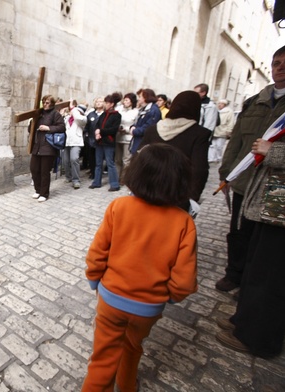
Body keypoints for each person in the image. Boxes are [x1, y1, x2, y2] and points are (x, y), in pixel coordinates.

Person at [82, 143, 198, 392]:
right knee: (133, 347)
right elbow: (185, 280)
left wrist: (94, 280)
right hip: (148, 308)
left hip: (111, 299)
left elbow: (97, 252)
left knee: (103, 358)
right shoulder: (183, 222)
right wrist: (170, 298)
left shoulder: (119, 207)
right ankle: (127, 386)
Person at [215, 45, 285, 293]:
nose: (281, 68)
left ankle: (252, 288)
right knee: (238, 232)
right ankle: (234, 273)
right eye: (277, 63)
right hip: (245, 182)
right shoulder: (254, 102)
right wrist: (227, 171)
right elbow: (236, 140)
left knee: (266, 243)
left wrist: (274, 152)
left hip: (277, 189)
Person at [216, 118, 285, 358]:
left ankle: (258, 337)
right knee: (257, 262)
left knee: (272, 271)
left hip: (282, 197)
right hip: (276, 194)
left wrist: (274, 151)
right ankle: (245, 320)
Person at [139, 91, 210, 206]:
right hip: (177, 193)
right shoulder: (199, 133)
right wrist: (192, 198)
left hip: (148, 189)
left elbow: (138, 159)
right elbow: (199, 169)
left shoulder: (153, 129)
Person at [30, 94, 66, 202]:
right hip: (37, 146)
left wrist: (48, 128)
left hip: (48, 147)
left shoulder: (55, 114)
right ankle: (38, 190)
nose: (45, 104)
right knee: (34, 169)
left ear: (52, 104)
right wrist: (33, 121)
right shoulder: (39, 114)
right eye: (44, 102)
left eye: (47, 102)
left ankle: (44, 193)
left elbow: (62, 127)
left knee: (44, 172)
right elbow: (30, 130)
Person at [89, 92, 122, 191]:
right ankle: (96, 182)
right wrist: (97, 133)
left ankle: (114, 184)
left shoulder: (117, 115)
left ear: (112, 104)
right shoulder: (103, 114)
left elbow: (113, 129)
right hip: (100, 142)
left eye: (107, 103)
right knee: (98, 163)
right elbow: (98, 125)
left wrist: (101, 132)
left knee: (110, 163)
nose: (105, 104)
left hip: (108, 142)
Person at [129, 88, 161, 155]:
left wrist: (134, 131)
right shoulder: (143, 109)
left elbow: (148, 128)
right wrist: (132, 127)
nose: (139, 99)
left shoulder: (153, 111)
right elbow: (137, 123)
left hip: (144, 145)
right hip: (137, 142)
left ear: (146, 97)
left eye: (140, 96)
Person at [63, 101, 87, 189]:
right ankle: (68, 177)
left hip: (76, 142)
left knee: (74, 159)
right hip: (67, 142)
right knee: (65, 160)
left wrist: (74, 110)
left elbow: (78, 117)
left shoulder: (83, 119)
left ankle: (76, 180)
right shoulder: (68, 118)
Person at [115, 92, 138, 180]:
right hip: (118, 136)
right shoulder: (119, 109)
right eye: (124, 100)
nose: (125, 101)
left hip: (128, 138)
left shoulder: (136, 112)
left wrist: (127, 129)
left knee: (126, 160)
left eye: (127, 100)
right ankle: (116, 177)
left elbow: (135, 125)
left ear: (132, 101)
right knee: (117, 159)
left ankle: (124, 178)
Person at [82, 96, 104, 178]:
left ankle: (98, 173)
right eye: (97, 101)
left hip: (101, 139)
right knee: (91, 157)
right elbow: (86, 126)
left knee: (99, 157)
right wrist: (86, 134)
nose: (98, 103)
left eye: (100, 101)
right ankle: (92, 172)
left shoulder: (105, 114)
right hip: (90, 139)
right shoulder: (91, 114)